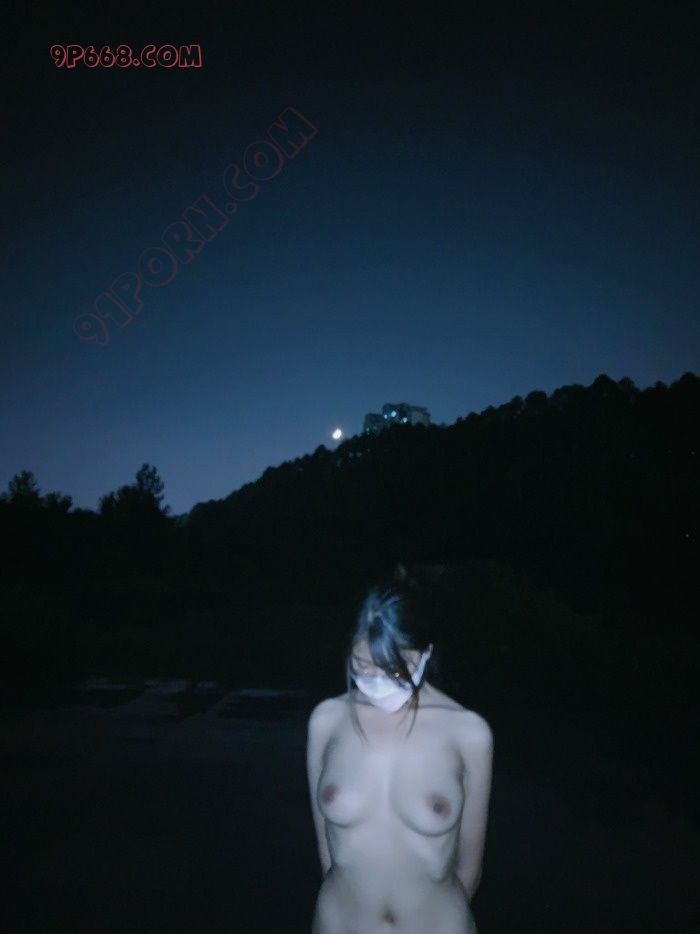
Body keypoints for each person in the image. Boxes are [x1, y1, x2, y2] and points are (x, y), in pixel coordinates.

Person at [307, 572, 494, 933]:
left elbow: (470, 868)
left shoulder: (469, 732)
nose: (378, 680)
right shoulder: (326, 721)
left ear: (426, 653)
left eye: (395, 669)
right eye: (363, 666)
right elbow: (327, 855)